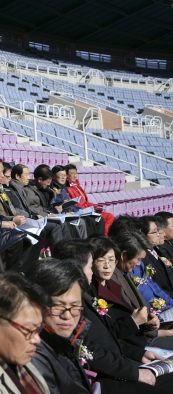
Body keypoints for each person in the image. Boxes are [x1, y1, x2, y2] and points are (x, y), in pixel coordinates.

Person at [51, 237, 173, 393]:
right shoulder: (73, 306)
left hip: (123, 361)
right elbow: (92, 352)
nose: (107, 266)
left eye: (111, 260)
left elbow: (106, 340)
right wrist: (135, 371)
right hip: (104, 378)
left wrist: (139, 354)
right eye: (92, 264)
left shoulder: (89, 295)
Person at [27, 259, 93, 394]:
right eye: (58, 306)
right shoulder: (32, 354)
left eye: (74, 306)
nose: (67, 316)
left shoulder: (61, 340)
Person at [9, 164, 73, 251]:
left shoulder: (26, 187)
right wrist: (39, 215)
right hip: (28, 220)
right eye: (26, 175)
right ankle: (60, 255)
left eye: (29, 174)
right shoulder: (15, 189)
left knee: (65, 223)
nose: (28, 177)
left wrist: (47, 213)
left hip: (35, 216)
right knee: (56, 226)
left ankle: (68, 251)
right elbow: (25, 208)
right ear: (17, 176)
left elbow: (33, 206)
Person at [23, 167, 84, 239]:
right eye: (48, 182)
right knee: (63, 225)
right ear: (40, 179)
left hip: (50, 214)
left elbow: (49, 205)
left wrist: (56, 207)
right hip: (40, 217)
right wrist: (50, 213)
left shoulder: (47, 190)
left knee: (81, 221)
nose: (49, 185)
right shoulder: (29, 191)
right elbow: (36, 208)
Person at [51, 165, 105, 237]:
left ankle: (100, 240)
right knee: (87, 221)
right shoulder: (54, 189)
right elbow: (56, 205)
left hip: (74, 211)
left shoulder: (63, 189)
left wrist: (80, 210)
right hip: (65, 214)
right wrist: (67, 211)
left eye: (64, 175)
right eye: (61, 175)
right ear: (54, 176)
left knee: (98, 218)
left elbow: (71, 204)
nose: (63, 177)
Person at [64, 164, 114, 234]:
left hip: (87, 209)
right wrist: (90, 208)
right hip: (82, 211)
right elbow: (76, 204)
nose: (74, 175)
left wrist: (95, 206)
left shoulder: (77, 186)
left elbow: (85, 202)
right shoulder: (68, 189)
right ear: (67, 175)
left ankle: (104, 236)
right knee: (103, 217)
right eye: (72, 173)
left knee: (109, 216)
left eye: (75, 173)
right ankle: (102, 238)